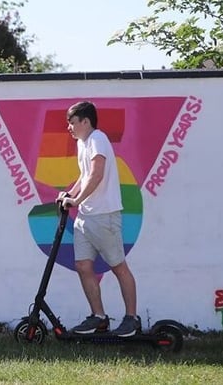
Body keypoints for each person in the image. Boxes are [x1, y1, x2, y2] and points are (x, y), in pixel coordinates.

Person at [58, 101, 141, 337]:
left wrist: (76, 200)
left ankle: (131, 319)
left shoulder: (98, 139)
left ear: (86, 121)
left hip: (104, 216)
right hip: (85, 217)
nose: (70, 128)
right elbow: (84, 176)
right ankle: (98, 317)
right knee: (83, 266)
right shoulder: (83, 144)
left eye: (72, 123)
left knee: (118, 267)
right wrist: (70, 194)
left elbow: (97, 174)